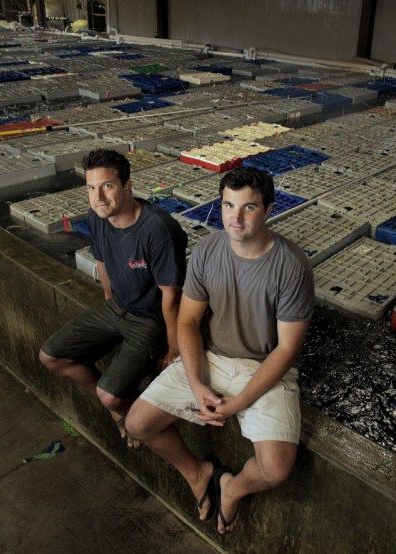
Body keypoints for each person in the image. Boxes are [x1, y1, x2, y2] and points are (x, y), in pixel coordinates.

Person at [126, 166, 314, 533]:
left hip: (265, 367)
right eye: (228, 206)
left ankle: (232, 487)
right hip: (213, 357)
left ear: (269, 210)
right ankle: (197, 473)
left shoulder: (292, 267)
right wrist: (197, 384)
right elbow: (187, 322)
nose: (235, 218)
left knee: (276, 468)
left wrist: (240, 401)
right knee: (137, 422)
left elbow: (287, 349)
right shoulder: (208, 250)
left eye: (248, 208)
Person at [39, 148, 187, 448]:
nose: (99, 197)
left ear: (127, 186)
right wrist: (108, 304)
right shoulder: (97, 217)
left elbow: (171, 296)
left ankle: (118, 407)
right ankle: (122, 405)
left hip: (150, 319)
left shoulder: (158, 230)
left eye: (107, 186)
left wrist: (173, 348)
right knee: (50, 355)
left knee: (108, 393)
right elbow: (103, 263)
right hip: (117, 308)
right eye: (91, 188)